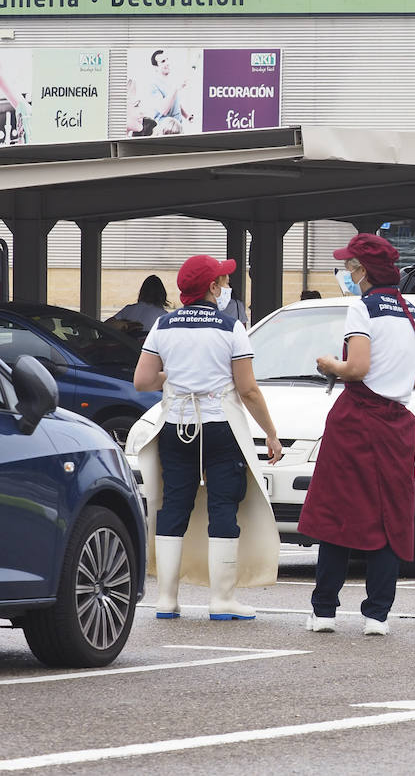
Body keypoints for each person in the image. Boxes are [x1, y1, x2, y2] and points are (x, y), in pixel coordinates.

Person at [132, 255, 282, 621]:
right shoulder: (231, 327)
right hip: (220, 427)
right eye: (222, 280)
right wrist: (271, 433)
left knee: (174, 505)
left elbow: (143, 381)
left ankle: (166, 599)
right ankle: (222, 600)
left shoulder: (163, 326)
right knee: (223, 507)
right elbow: (247, 390)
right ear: (213, 288)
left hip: (176, 426)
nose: (225, 286)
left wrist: (177, 380)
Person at [299, 234, 415, 636]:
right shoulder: (412, 312)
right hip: (397, 423)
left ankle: (324, 611)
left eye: (351, 266)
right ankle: (377, 615)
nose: (347, 272)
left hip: (356, 416)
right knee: (390, 514)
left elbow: (357, 368)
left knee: (340, 511)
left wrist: (329, 364)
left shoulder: (362, 308)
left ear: (364, 271)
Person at [111, 275, 171, 341]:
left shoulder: (128, 310)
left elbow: (107, 325)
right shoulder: (164, 317)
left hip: (125, 350)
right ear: (162, 294)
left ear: (142, 292)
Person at [148, 49, 195, 131]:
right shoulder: (153, 85)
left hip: (178, 127)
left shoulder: (171, 81)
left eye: (167, 59)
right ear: (156, 67)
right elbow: (163, 110)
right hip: (165, 130)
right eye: (163, 61)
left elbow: (175, 102)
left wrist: (187, 116)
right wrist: (175, 87)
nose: (167, 63)